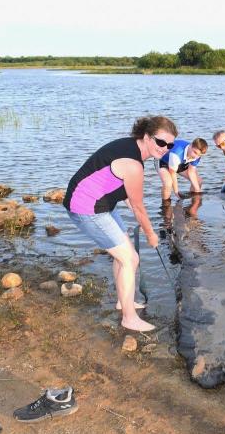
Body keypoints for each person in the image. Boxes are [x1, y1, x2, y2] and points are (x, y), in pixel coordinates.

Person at [63, 116, 178, 332]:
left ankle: (122, 302)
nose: (164, 148)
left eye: (169, 145)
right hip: (86, 207)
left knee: (124, 254)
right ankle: (129, 317)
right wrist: (151, 234)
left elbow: (120, 186)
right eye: (160, 142)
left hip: (103, 202)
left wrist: (133, 209)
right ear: (146, 137)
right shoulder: (134, 164)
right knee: (130, 258)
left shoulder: (133, 148)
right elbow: (138, 207)